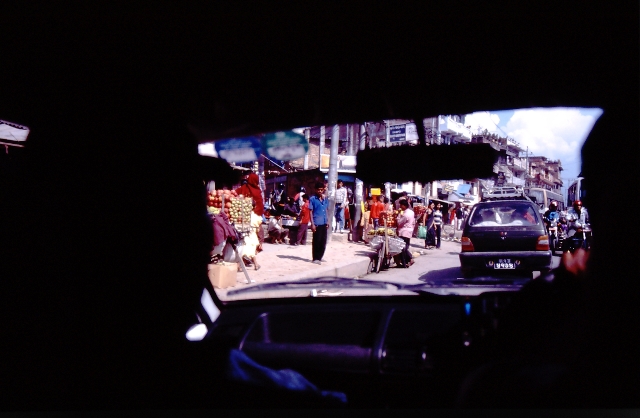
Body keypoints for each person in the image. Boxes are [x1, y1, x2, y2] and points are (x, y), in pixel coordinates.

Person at [309, 181, 330, 264]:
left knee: (323, 241)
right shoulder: (312, 199)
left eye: (321, 190)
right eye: (318, 190)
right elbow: (310, 211)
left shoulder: (325, 199)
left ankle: (320, 256)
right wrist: (312, 224)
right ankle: (315, 258)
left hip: (324, 222)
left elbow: (326, 210)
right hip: (317, 222)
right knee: (316, 241)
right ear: (315, 190)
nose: (320, 191)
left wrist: (327, 221)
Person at [240, 200, 262, 270]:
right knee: (252, 250)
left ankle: (240, 265)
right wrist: (260, 239)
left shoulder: (242, 215)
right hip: (252, 234)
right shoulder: (257, 217)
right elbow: (259, 230)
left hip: (243, 234)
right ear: (254, 207)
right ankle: (256, 265)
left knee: (243, 249)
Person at [396, 199, 415, 268]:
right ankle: (407, 261)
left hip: (404, 232)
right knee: (405, 247)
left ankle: (409, 259)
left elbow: (399, 223)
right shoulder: (411, 212)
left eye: (401, 205)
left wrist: (398, 215)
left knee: (402, 247)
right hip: (409, 231)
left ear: (404, 206)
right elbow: (413, 221)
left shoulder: (405, 214)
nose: (400, 206)